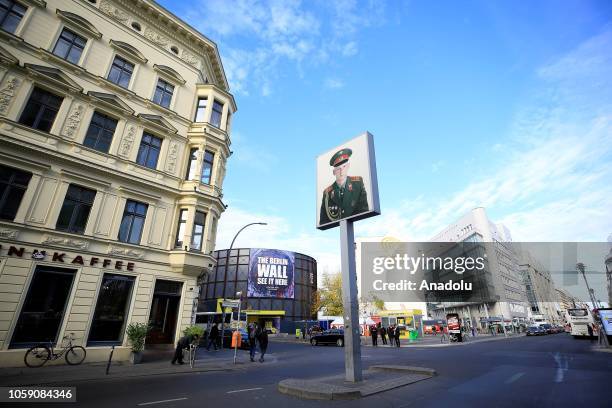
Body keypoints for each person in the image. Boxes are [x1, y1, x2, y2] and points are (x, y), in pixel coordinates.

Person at [319, 148, 369, 225]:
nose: (342, 172)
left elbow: (364, 211)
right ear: (334, 172)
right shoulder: (327, 194)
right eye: (338, 169)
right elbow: (323, 221)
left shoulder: (358, 184)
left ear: (348, 166)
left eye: (344, 166)